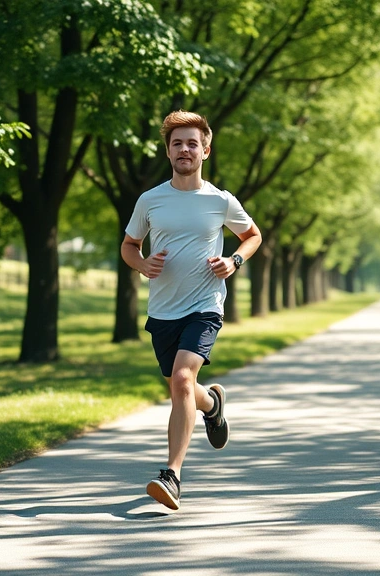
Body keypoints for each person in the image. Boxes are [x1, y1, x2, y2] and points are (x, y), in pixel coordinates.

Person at [121, 110, 262, 510]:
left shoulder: (220, 200)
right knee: (180, 386)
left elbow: (252, 235)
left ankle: (172, 475)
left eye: (192, 143)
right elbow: (129, 246)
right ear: (168, 151)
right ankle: (213, 405)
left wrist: (233, 261)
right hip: (163, 310)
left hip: (204, 305)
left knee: (182, 379)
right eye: (177, 143)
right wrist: (142, 262)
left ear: (206, 150)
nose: (185, 149)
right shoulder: (150, 200)